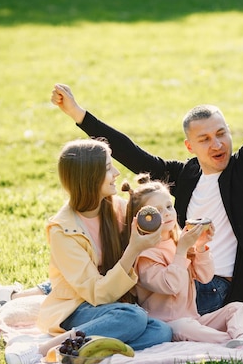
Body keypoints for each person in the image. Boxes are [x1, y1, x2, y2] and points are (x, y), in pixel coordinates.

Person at [50, 0, 243, 325]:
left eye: (221, 133)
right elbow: (130, 152)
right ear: (189, 146)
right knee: (79, 287)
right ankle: (31, 296)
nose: (217, 143)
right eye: (205, 139)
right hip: (170, 279)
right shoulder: (184, 176)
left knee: (129, 308)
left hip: (215, 290)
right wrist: (78, 114)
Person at [38, 140, 172, 349]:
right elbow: (97, 294)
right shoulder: (62, 231)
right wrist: (133, 249)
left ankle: (89, 349)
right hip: (76, 309)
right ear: (89, 178)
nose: (117, 173)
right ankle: (58, 346)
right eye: (109, 168)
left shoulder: (117, 208)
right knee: (134, 317)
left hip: (113, 307)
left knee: (162, 331)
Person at [125, 174, 243, 347]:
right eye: (157, 211)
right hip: (167, 323)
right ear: (142, 220)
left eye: (169, 206)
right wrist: (182, 251)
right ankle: (234, 342)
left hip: (195, 318)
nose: (167, 214)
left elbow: (205, 276)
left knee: (237, 307)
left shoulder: (177, 243)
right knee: (186, 327)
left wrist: (200, 247)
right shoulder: (145, 255)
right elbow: (171, 285)